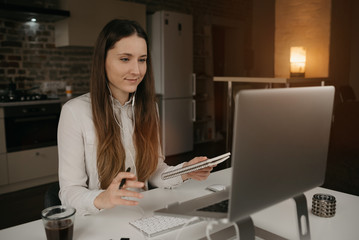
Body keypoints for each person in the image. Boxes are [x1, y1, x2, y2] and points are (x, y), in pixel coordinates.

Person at [57, 19, 214, 215]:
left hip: (142, 214)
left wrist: (184, 171)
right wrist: (103, 198)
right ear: (102, 60)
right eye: (125, 59)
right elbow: (69, 192)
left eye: (142, 59)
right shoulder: (74, 112)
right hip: (98, 221)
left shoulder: (149, 108)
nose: (137, 71)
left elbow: (155, 171)